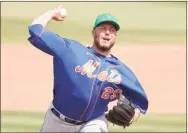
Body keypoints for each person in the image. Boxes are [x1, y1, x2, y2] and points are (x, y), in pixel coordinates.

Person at [27, 5, 148, 132]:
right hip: (56, 121)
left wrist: (132, 117)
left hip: (93, 123)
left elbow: (139, 104)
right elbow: (35, 30)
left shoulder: (122, 71)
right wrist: (52, 13)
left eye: (112, 30)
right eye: (103, 28)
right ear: (93, 32)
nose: (107, 32)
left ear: (115, 37)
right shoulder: (70, 49)